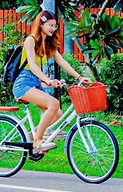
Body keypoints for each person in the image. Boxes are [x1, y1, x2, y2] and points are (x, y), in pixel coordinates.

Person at [12, 10, 91, 153]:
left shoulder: (48, 44)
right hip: (23, 83)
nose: (52, 29)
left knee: (57, 114)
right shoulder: (30, 40)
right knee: (54, 103)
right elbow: (33, 65)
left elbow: (62, 62)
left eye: (55, 26)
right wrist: (48, 80)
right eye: (50, 25)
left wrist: (79, 77)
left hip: (35, 82)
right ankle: (37, 141)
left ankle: (30, 137)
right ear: (41, 24)